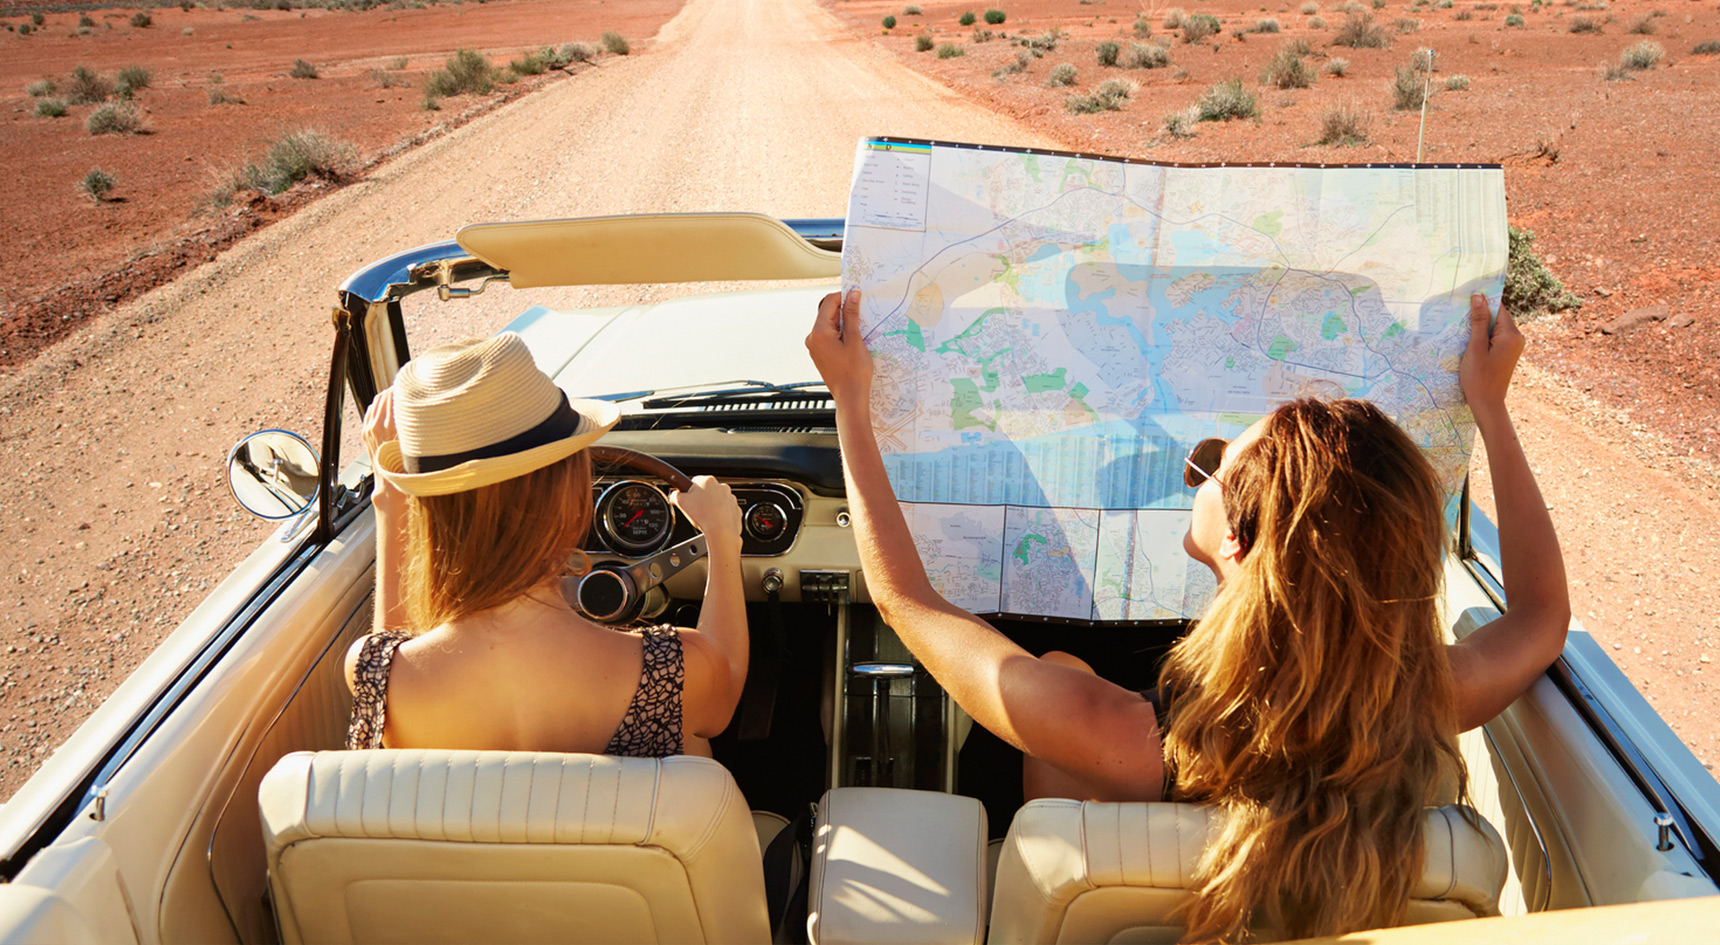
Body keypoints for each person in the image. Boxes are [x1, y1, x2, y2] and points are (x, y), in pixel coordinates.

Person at [805, 289, 1569, 940]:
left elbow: (906, 599)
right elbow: (1540, 616)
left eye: (1212, 462)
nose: (1194, 467)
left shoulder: (1114, 736)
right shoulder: (1433, 696)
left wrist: (851, 402)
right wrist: (1492, 410)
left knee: (1062, 670)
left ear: (1234, 541)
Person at [343, 332, 749, 759]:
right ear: (570, 495)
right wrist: (722, 538)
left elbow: (393, 644)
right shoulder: (673, 669)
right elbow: (726, 691)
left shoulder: (377, 674)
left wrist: (391, 502)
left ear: (427, 517)